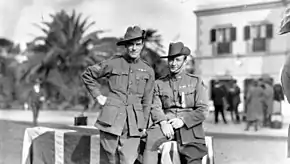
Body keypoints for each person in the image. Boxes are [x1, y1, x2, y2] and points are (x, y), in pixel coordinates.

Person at [81, 26, 155, 164]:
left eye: (138, 44)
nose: (134, 48)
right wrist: (98, 96)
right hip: (111, 121)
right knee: (111, 160)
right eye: (130, 44)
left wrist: (144, 125)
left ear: (142, 45)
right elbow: (88, 75)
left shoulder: (148, 70)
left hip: (134, 124)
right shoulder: (114, 63)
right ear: (125, 46)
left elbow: (147, 100)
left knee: (128, 160)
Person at [143, 42, 209, 164]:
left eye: (177, 60)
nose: (173, 63)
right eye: (171, 60)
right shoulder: (159, 83)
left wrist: (183, 121)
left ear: (185, 61)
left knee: (193, 156)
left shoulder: (195, 81)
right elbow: (155, 106)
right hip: (166, 124)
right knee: (149, 142)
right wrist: (163, 122)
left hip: (189, 126)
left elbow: (203, 110)